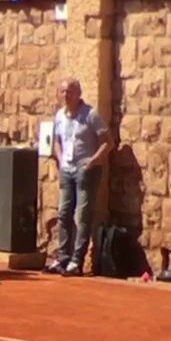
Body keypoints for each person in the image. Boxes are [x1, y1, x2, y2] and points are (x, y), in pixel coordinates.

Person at [48, 77, 114, 277]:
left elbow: (107, 142)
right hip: (67, 169)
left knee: (82, 215)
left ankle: (77, 260)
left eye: (69, 92)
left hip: (86, 170)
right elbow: (57, 140)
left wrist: (93, 161)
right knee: (64, 213)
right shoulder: (60, 116)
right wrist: (59, 160)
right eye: (63, 92)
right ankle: (62, 258)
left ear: (79, 93)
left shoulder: (90, 115)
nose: (65, 96)